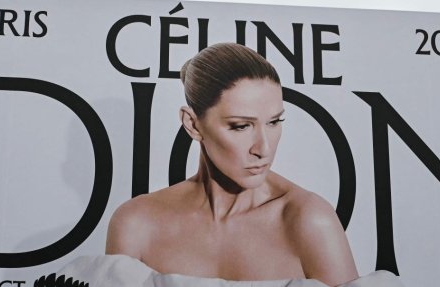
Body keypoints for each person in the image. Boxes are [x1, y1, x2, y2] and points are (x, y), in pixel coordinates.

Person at [106, 43, 359, 286]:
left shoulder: (308, 220)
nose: (264, 149)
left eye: (274, 122)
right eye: (241, 126)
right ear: (193, 124)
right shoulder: (137, 224)